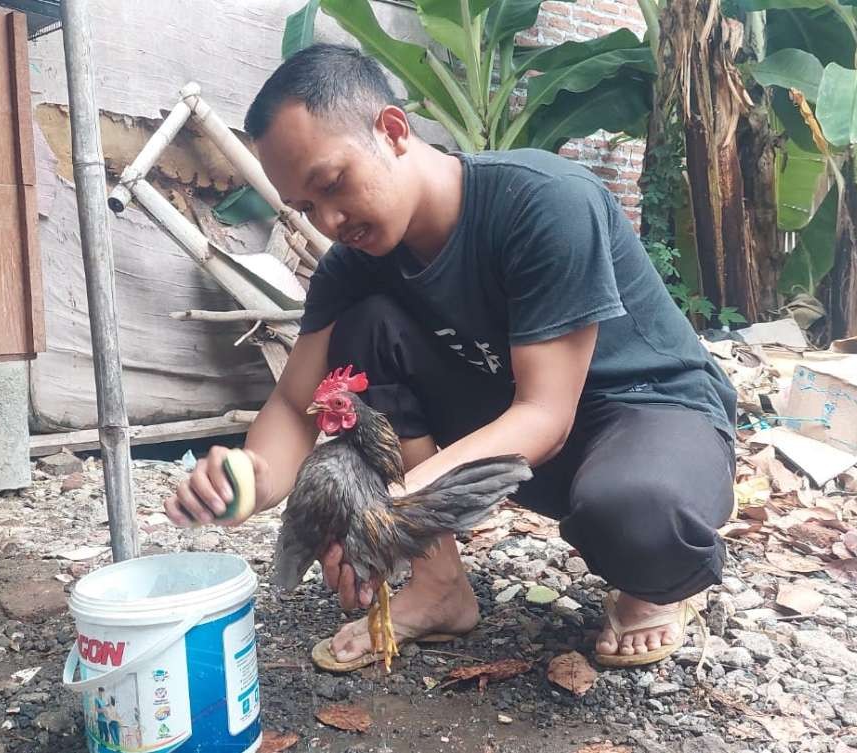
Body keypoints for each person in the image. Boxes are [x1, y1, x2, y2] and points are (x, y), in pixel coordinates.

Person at [164, 44, 736, 671]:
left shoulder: (543, 201)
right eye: (304, 208)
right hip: (515, 443)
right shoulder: (353, 268)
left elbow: (545, 413)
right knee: (364, 327)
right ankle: (439, 586)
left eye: (332, 185)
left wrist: (390, 513)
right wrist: (244, 481)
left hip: (646, 414)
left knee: (639, 515)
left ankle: (653, 586)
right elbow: (295, 404)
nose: (328, 220)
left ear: (392, 130)